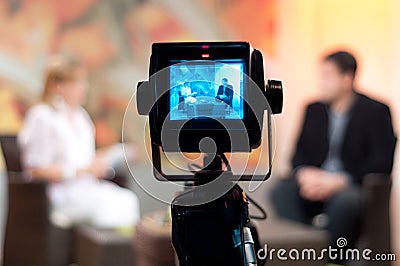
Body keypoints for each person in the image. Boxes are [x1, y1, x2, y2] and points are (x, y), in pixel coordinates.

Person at [271, 51, 396, 263]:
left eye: (328, 76)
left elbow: (382, 162)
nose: (322, 83)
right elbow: (298, 156)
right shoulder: (313, 109)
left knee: (345, 202)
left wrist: (339, 181)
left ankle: (328, 258)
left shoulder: (376, 111)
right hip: (315, 181)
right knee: (281, 191)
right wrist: (304, 174)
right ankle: (299, 252)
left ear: (347, 78)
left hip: (350, 185)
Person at [18, 55, 140, 228]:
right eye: (78, 82)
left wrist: (103, 159)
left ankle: (115, 253)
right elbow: (36, 169)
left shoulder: (81, 116)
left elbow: (83, 158)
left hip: (85, 188)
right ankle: (101, 253)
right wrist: (80, 171)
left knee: (128, 200)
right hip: (57, 195)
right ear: (58, 86)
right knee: (107, 207)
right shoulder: (42, 116)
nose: (85, 88)